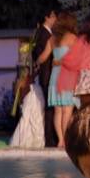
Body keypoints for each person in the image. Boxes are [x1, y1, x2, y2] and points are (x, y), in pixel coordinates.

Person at [47, 11, 80, 149]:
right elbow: (78, 58)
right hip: (68, 76)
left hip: (55, 76)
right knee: (67, 110)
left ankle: (60, 140)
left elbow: (43, 57)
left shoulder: (52, 39)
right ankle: (66, 139)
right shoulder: (73, 38)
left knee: (58, 111)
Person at [32, 9, 58, 147]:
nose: (55, 19)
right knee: (50, 107)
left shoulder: (48, 33)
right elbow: (39, 55)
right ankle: (49, 139)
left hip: (50, 72)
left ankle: (51, 137)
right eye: (53, 16)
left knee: (51, 107)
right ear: (46, 17)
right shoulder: (43, 33)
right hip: (47, 73)